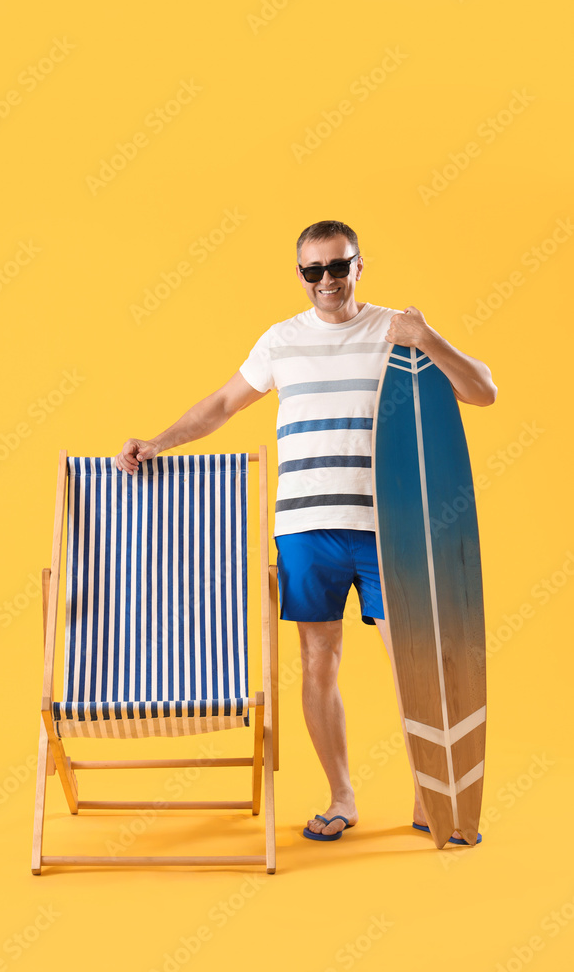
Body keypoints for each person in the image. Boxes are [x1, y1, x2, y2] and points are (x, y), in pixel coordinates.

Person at [116, 219, 497, 842]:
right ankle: (342, 796)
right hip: (304, 528)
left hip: (387, 527)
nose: (327, 281)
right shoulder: (280, 341)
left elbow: (482, 392)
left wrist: (427, 337)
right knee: (318, 665)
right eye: (313, 270)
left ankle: (432, 792)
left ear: (358, 266)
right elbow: (220, 406)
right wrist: (157, 441)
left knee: (414, 664)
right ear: (300, 274)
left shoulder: (396, 330)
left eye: (338, 267)